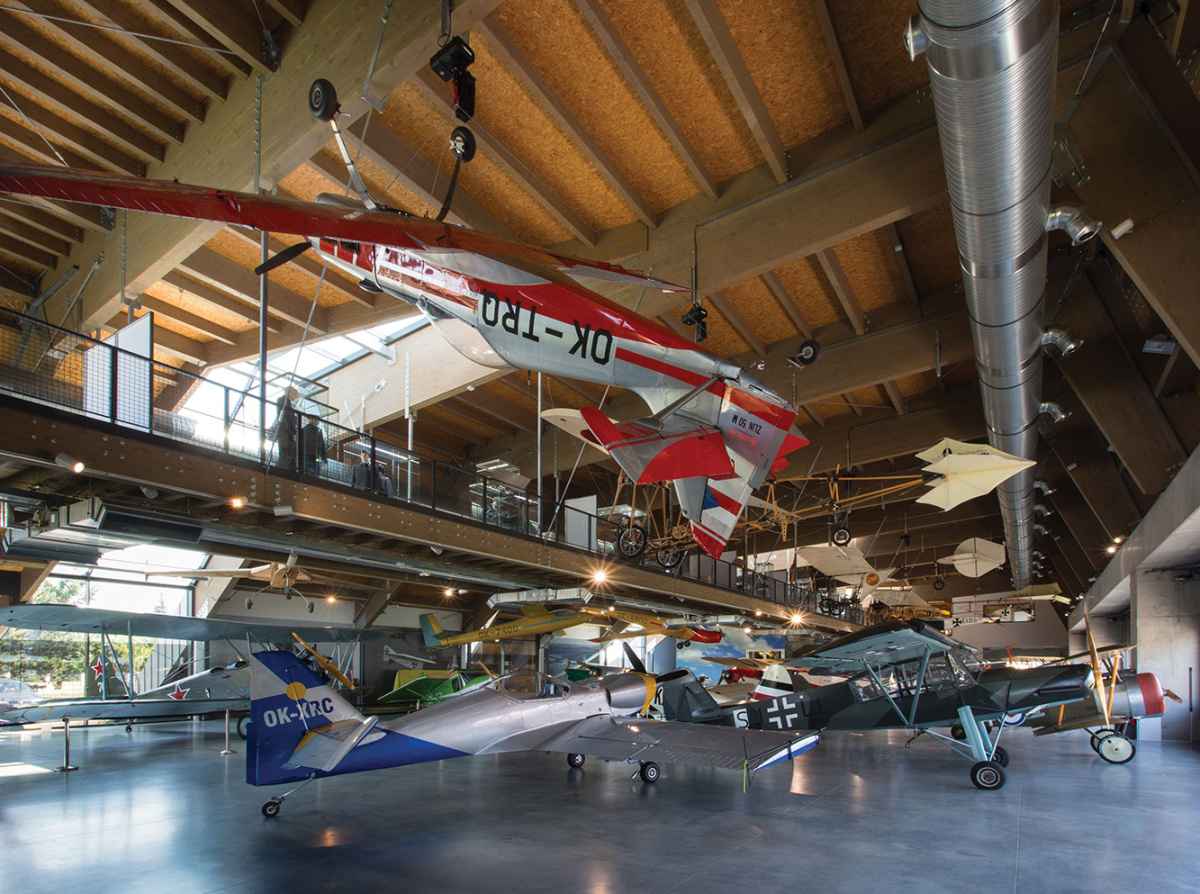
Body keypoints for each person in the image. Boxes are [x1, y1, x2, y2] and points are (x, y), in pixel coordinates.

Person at [271, 386, 299, 471]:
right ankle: (281, 470)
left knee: (288, 453)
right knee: (285, 453)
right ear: (290, 392)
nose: (296, 396)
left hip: (286, 431)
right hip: (285, 431)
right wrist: (292, 430)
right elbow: (285, 417)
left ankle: (285, 469)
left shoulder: (287, 402)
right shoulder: (283, 401)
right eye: (295, 394)